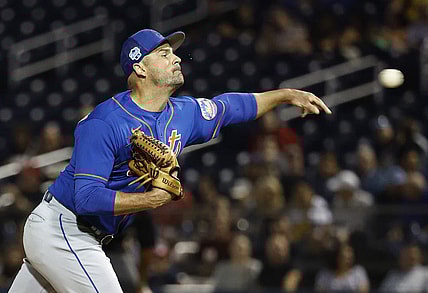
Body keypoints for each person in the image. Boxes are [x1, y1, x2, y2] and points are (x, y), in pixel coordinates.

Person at [8, 28, 331, 292]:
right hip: (63, 228)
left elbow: (232, 106)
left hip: (82, 234)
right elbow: (87, 197)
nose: (175, 57)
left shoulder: (183, 113)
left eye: (172, 52)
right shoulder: (105, 122)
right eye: (163, 54)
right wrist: (150, 199)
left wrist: (286, 94)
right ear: (140, 68)